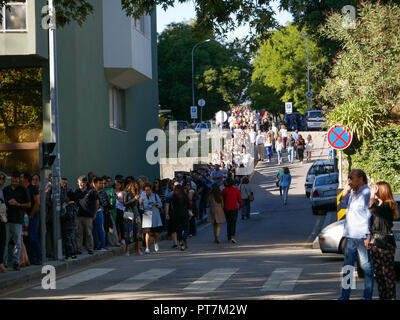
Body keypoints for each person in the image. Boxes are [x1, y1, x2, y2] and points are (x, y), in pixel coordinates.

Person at [337, 169, 374, 300]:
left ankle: (367, 296)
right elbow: (341, 205)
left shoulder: (366, 192)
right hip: (350, 235)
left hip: (362, 235)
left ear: (361, 179)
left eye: (351, 178)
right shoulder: (352, 192)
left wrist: (368, 235)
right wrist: (345, 192)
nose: (349, 180)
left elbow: (370, 214)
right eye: (349, 177)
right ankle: (345, 295)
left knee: (366, 267)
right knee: (348, 266)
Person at [367, 182, 398, 300]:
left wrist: (371, 196)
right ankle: (383, 297)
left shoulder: (388, 205)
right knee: (379, 274)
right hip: (375, 242)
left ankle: (391, 297)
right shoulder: (379, 205)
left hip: (385, 244)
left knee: (387, 273)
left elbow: (372, 210)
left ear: (382, 191)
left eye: (376, 189)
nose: (374, 191)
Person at [3, 172, 31, 271]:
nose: (14, 183)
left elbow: (28, 204)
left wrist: (18, 204)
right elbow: (2, 203)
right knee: (5, 243)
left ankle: (16, 262)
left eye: (16, 181)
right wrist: (7, 204)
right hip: (6, 219)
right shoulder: (6, 189)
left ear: (19, 179)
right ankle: (4, 263)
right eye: (12, 181)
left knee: (17, 243)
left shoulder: (23, 190)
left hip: (18, 220)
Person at [74, 175, 99, 255]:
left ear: (86, 183)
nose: (81, 184)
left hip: (88, 216)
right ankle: (79, 249)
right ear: (78, 183)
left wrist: (94, 213)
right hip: (79, 215)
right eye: (80, 183)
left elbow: (97, 203)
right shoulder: (76, 191)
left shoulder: (91, 191)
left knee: (88, 233)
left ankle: (90, 248)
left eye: (83, 183)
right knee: (78, 233)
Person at [21, 172, 41, 265]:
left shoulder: (33, 189)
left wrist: (31, 215)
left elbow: (37, 203)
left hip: (32, 217)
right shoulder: (22, 189)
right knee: (27, 238)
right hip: (24, 217)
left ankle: (39, 257)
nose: (20, 179)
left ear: (25, 179)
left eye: (21, 177)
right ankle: (31, 258)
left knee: (33, 237)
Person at [139, 183, 163, 254]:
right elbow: (140, 207)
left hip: (155, 216)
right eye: (146, 190)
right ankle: (147, 247)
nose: (147, 192)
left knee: (155, 233)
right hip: (147, 215)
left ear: (151, 190)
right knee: (147, 232)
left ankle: (155, 242)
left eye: (149, 190)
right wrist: (141, 204)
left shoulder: (155, 195)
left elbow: (161, 204)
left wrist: (156, 204)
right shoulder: (142, 196)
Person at [168, 184, 192, 251]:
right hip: (184, 214)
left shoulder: (173, 197)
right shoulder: (185, 196)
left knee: (179, 230)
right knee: (186, 228)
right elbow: (189, 206)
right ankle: (184, 238)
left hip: (176, 215)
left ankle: (181, 241)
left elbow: (171, 205)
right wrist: (190, 214)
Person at [124, 181, 143, 256]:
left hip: (136, 213)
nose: (137, 190)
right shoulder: (126, 192)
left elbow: (137, 206)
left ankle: (138, 249)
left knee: (138, 231)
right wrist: (134, 199)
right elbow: (125, 203)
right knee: (128, 231)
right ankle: (127, 251)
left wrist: (142, 211)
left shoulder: (137, 194)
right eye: (136, 188)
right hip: (128, 213)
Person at [222, 178, 242, 244]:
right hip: (234, 208)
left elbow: (222, 200)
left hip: (226, 208)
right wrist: (240, 207)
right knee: (233, 222)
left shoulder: (224, 190)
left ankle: (229, 236)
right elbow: (240, 200)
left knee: (228, 222)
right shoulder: (236, 190)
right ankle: (232, 236)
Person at [60, 190, 78, 260]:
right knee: (72, 239)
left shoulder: (70, 206)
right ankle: (73, 254)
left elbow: (69, 215)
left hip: (68, 226)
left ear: (68, 198)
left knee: (68, 240)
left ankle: (69, 255)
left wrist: (61, 217)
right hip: (72, 225)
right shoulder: (74, 205)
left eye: (65, 197)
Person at [92, 178, 106, 251]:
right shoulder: (91, 191)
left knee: (100, 229)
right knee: (94, 230)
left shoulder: (103, 193)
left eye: (101, 183)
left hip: (99, 212)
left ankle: (103, 246)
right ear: (94, 184)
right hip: (91, 213)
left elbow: (104, 203)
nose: (101, 185)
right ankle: (96, 245)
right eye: (99, 183)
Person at [114, 179, 126, 246]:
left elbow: (124, 201)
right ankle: (117, 238)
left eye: (118, 185)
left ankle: (123, 238)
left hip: (120, 210)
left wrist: (117, 198)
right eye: (115, 185)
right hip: (114, 209)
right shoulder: (113, 191)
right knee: (115, 225)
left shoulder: (123, 192)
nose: (116, 186)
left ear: (120, 185)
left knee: (121, 224)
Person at [0, 173, 8, 272]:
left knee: (2, 242)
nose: (1, 180)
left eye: (3, 179)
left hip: (2, 219)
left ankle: (1, 263)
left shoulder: (2, 191)